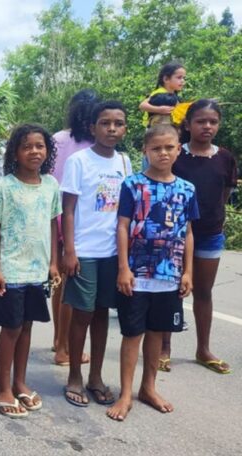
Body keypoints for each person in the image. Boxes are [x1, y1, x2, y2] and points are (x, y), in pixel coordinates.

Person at [107, 124, 197, 421]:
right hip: (137, 272)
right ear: (145, 151)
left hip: (169, 275)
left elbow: (188, 231)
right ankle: (124, 393)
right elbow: (122, 225)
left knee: (158, 333)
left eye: (169, 147)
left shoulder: (187, 188)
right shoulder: (133, 184)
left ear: (178, 149)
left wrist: (188, 272)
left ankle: (148, 387)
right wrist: (123, 268)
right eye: (156, 148)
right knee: (133, 334)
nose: (163, 153)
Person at [0, 124, 61, 418]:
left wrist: (53, 262)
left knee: (27, 325)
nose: (34, 151)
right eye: (27, 146)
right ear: (15, 151)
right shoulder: (5, 186)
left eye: (40, 146)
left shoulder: (51, 184)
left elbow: (53, 224)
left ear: (48, 151)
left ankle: (19, 382)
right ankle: (2, 388)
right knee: (11, 327)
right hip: (11, 270)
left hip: (38, 270)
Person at [61, 101, 132, 407]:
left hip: (113, 252)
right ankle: (75, 375)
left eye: (118, 123)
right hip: (85, 251)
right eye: (105, 123)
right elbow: (68, 210)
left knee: (102, 313)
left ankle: (96, 377)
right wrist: (69, 250)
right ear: (93, 128)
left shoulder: (125, 163)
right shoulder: (79, 161)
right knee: (82, 314)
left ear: (125, 128)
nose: (112, 129)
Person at [163, 99, 237, 374]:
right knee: (172, 291)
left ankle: (203, 349)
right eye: (201, 121)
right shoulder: (174, 154)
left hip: (210, 235)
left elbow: (224, 194)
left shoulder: (225, 158)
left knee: (203, 292)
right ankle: (164, 348)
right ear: (188, 124)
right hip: (174, 235)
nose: (207, 126)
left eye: (213, 121)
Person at [51, 89, 100, 366]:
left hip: (60, 217)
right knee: (70, 284)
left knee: (61, 284)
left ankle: (60, 340)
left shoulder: (59, 138)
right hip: (76, 222)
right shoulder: (89, 143)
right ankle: (63, 348)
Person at [139, 61, 186, 127]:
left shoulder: (175, 95)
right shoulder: (159, 93)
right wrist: (160, 109)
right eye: (179, 77)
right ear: (166, 79)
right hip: (153, 127)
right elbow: (142, 105)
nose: (182, 81)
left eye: (184, 78)